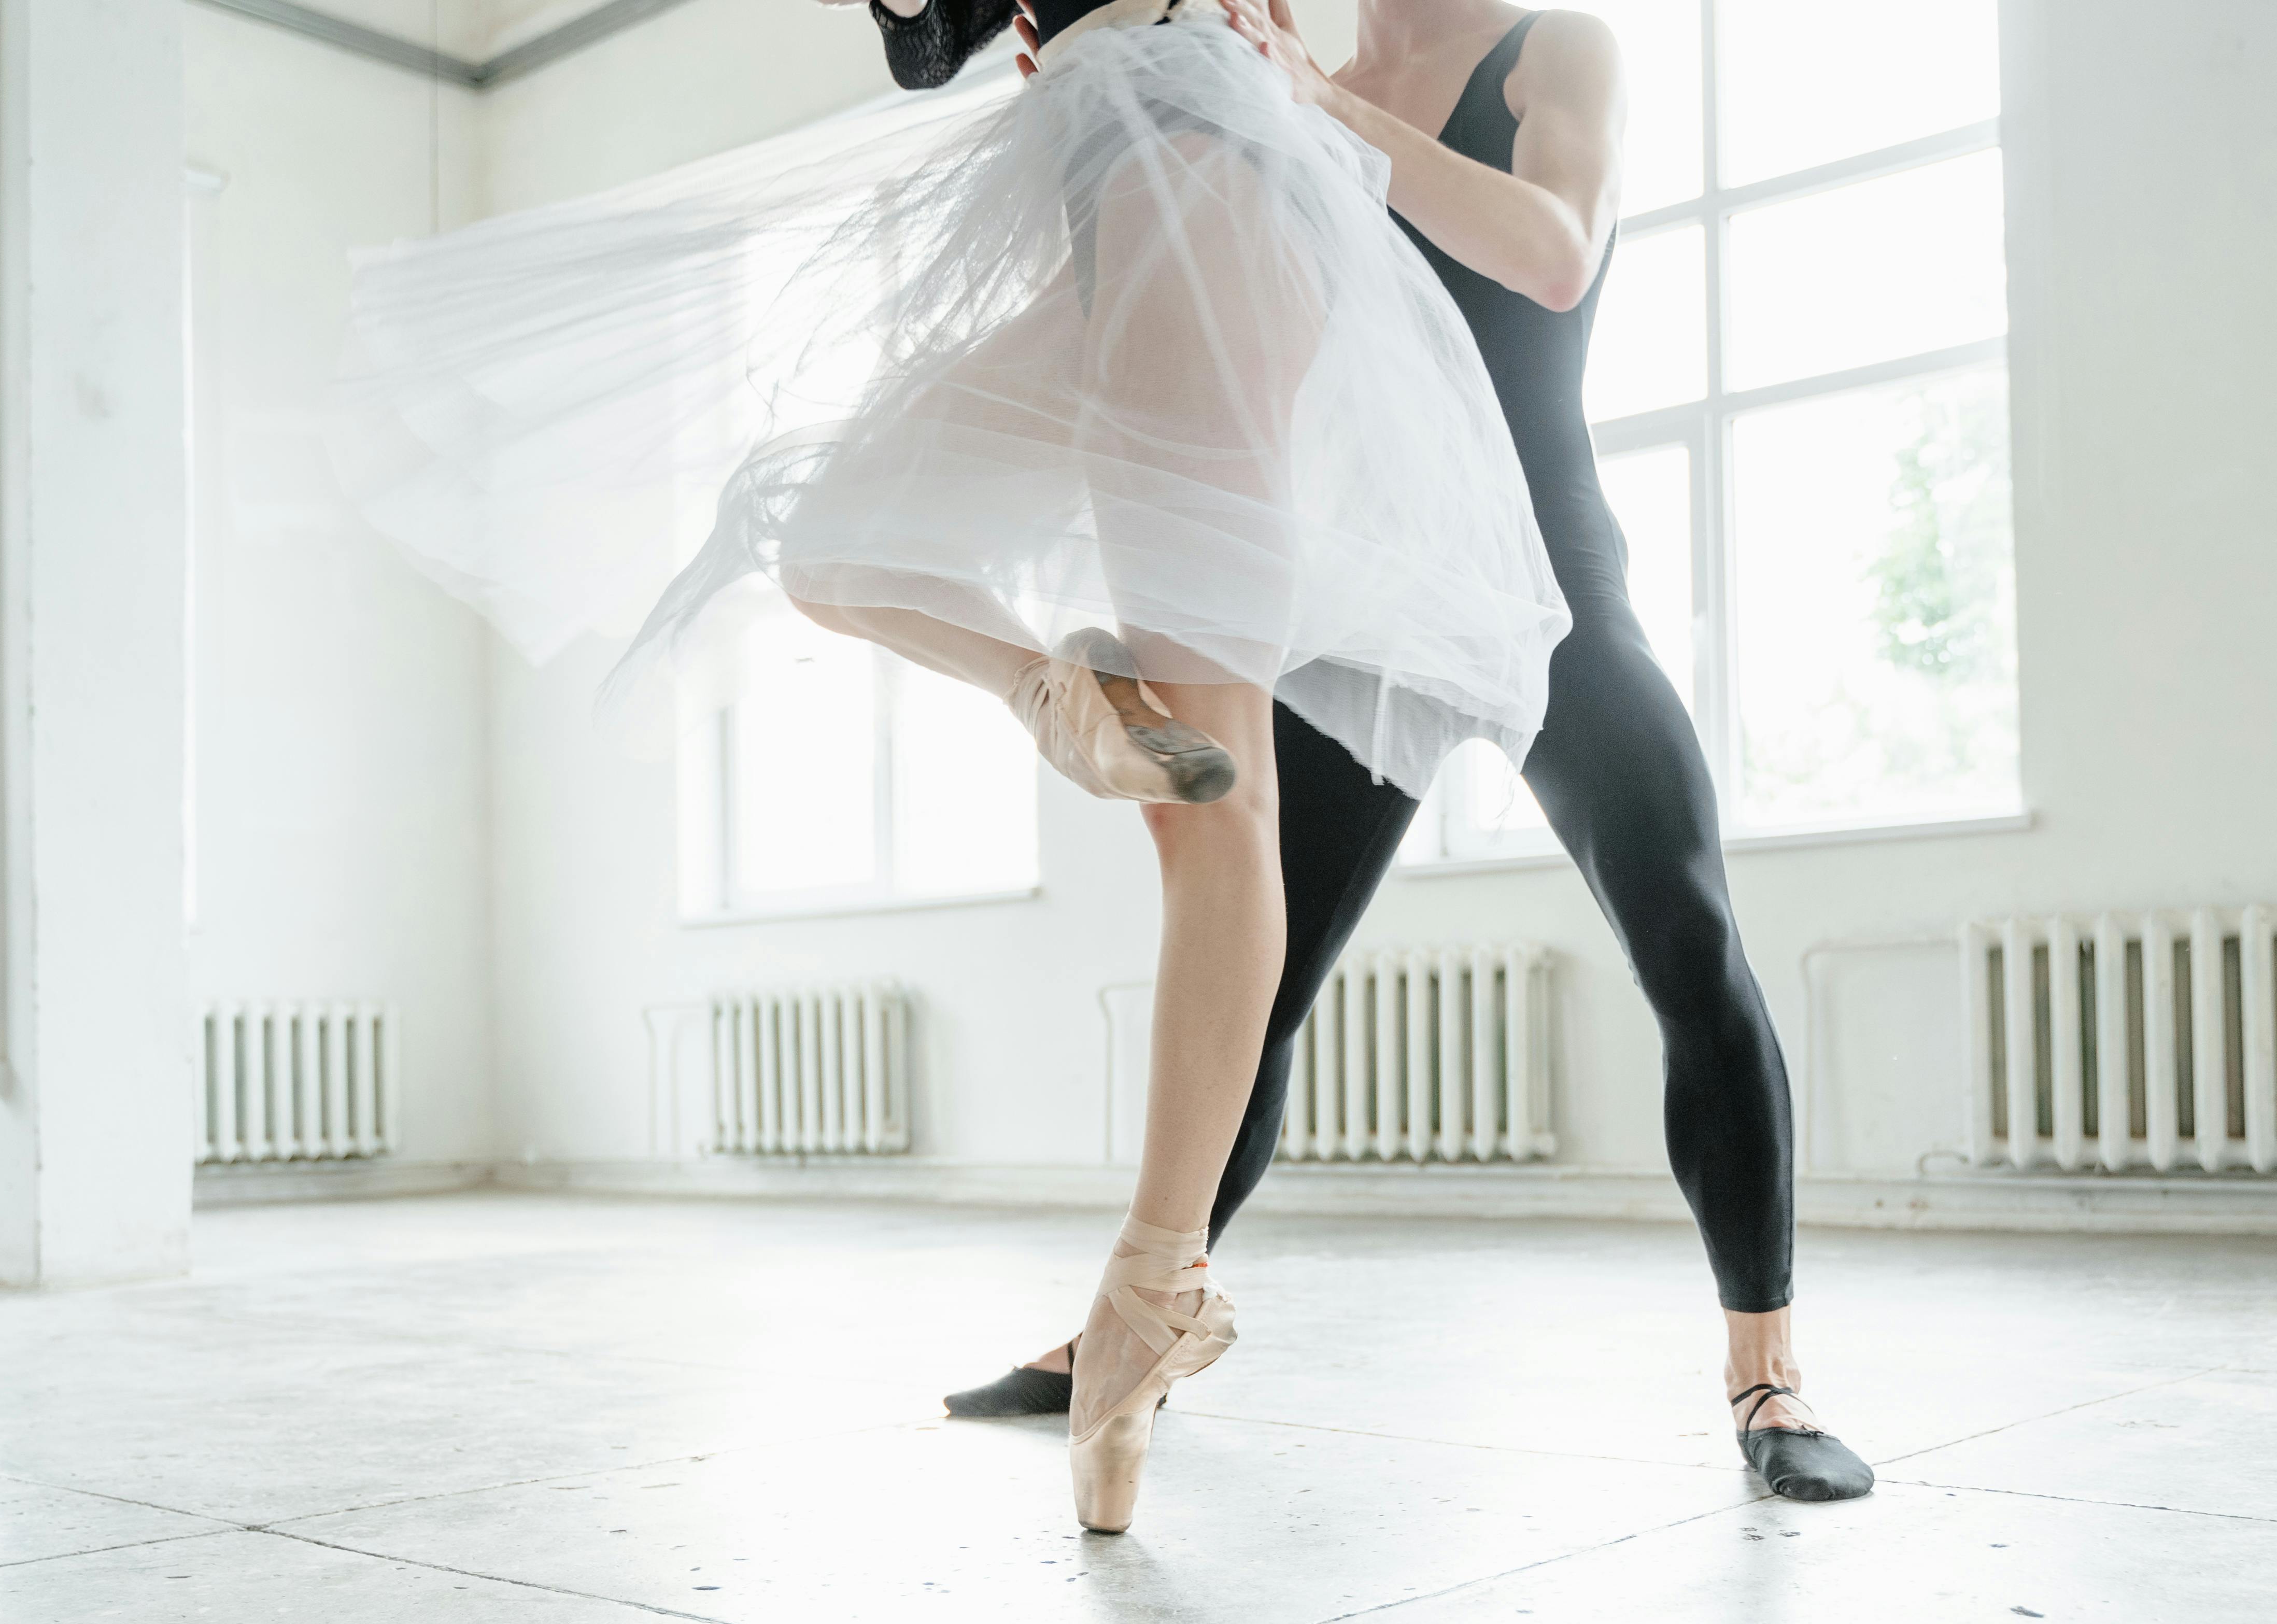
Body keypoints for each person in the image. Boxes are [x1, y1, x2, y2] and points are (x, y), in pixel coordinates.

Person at [343, 0, 1568, 1534]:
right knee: (838, 539)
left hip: (1209, 173)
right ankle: (1063, 700)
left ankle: (1151, 1285)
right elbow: (929, 50)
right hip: (1114, 193)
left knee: (1219, 799)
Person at [938, 0, 1877, 1503]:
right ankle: (1127, 1329)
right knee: (1255, 975)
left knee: (1687, 935)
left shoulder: (1551, 49)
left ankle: (1767, 1374)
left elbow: (1554, 251)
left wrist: (1324, 114)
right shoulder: (1276, 81)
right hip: (1365, 600)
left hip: (1540, 580)